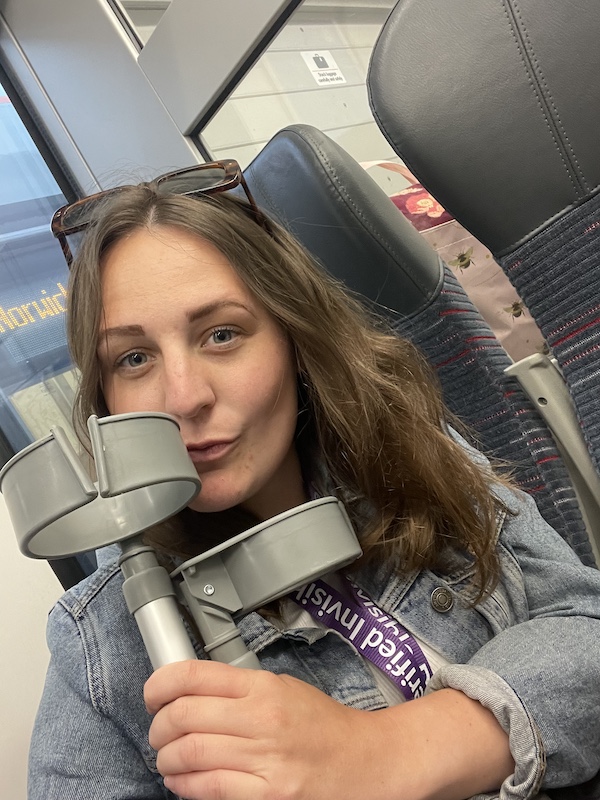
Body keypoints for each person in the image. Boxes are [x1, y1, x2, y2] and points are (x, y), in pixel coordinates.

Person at [30, 161, 600, 800]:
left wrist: (388, 751)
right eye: (134, 358)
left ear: (293, 341)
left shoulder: (412, 453)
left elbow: (588, 621)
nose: (184, 397)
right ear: (107, 398)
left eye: (222, 334)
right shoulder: (104, 644)